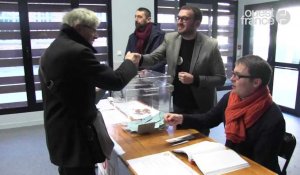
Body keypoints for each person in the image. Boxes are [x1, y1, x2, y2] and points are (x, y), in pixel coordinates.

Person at [39, 8, 140, 175]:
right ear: (79, 28)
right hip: (75, 133)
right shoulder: (77, 51)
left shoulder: (55, 46)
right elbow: (116, 81)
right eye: (94, 29)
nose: (97, 35)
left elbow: (69, 86)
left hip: (60, 128)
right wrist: (129, 62)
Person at [164, 55, 286, 174]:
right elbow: (208, 119)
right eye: (233, 73)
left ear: (256, 82)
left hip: (251, 168)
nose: (232, 78)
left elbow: (262, 167)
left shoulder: (273, 118)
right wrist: (181, 118)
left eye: (237, 76)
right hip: (230, 161)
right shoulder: (231, 97)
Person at [134, 5, 226, 135]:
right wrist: (140, 58)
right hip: (178, 103)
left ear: (197, 23)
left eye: (185, 19)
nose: (179, 22)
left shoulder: (210, 45)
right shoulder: (170, 38)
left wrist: (195, 79)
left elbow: (220, 78)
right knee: (178, 139)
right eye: (178, 18)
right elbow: (154, 57)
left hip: (200, 107)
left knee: (200, 142)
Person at [125, 7, 166, 73]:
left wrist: (149, 70)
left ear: (148, 19)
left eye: (139, 17)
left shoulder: (160, 35)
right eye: (135, 17)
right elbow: (128, 57)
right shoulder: (132, 37)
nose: (136, 19)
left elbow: (164, 59)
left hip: (156, 77)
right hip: (137, 75)